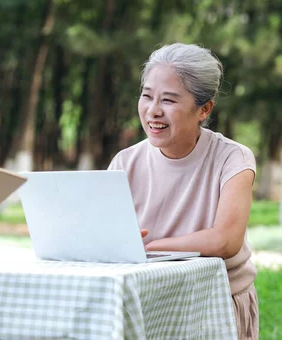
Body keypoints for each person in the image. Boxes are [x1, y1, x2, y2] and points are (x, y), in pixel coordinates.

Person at [108, 43, 258, 339]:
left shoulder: (232, 158)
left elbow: (225, 240)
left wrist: (149, 248)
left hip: (214, 301)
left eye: (169, 100)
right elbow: (108, 238)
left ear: (204, 109)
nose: (153, 111)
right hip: (146, 300)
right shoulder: (125, 162)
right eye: (147, 96)